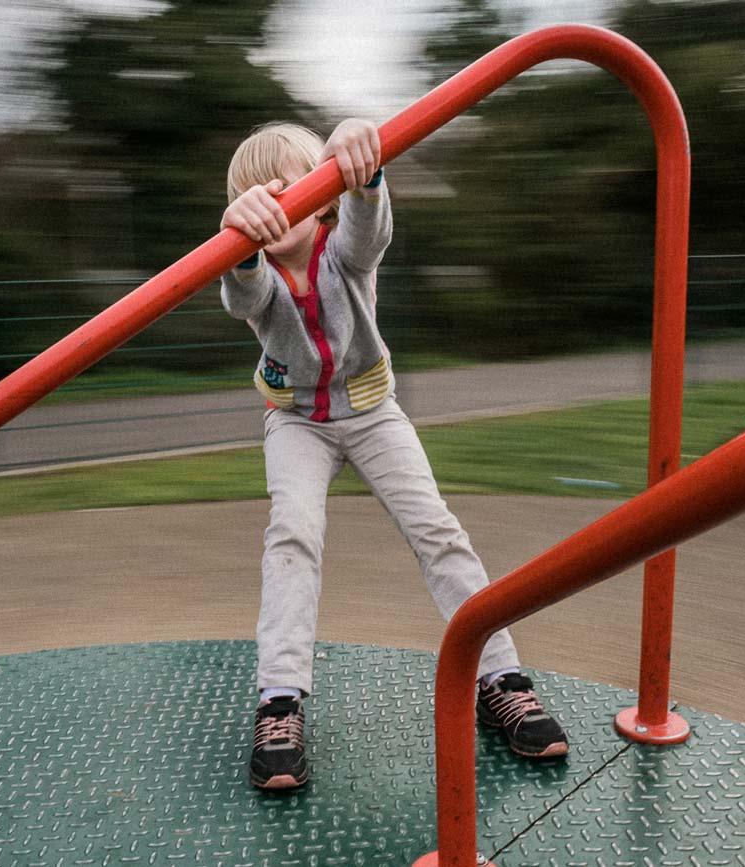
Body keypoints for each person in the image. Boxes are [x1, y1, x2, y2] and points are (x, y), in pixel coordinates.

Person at [219, 119, 568, 791]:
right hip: (296, 423)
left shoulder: (341, 249)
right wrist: (237, 243)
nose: (274, 197)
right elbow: (242, 296)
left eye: (288, 185)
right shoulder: (256, 273)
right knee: (292, 535)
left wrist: (361, 161)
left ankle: (501, 676)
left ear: (321, 195)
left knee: (437, 529)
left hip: (372, 411)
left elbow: (368, 228)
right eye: (255, 192)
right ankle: (280, 701)